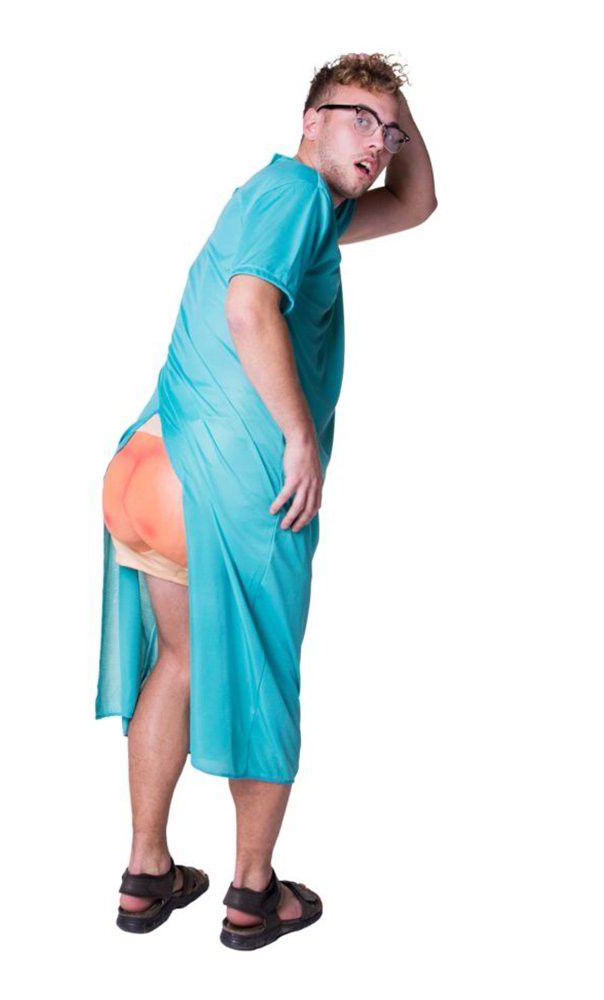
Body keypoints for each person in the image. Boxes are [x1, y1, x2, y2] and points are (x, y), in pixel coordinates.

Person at [97, 52, 437, 950]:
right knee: (264, 678)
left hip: (151, 467)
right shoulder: (295, 196)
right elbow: (250, 307)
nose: (380, 143)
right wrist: (299, 436)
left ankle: (146, 873)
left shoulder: (292, 202)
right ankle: (253, 893)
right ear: (309, 120)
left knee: (178, 661)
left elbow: (415, 205)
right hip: (229, 480)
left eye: (390, 131)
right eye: (358, 119)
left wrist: (394, 110)